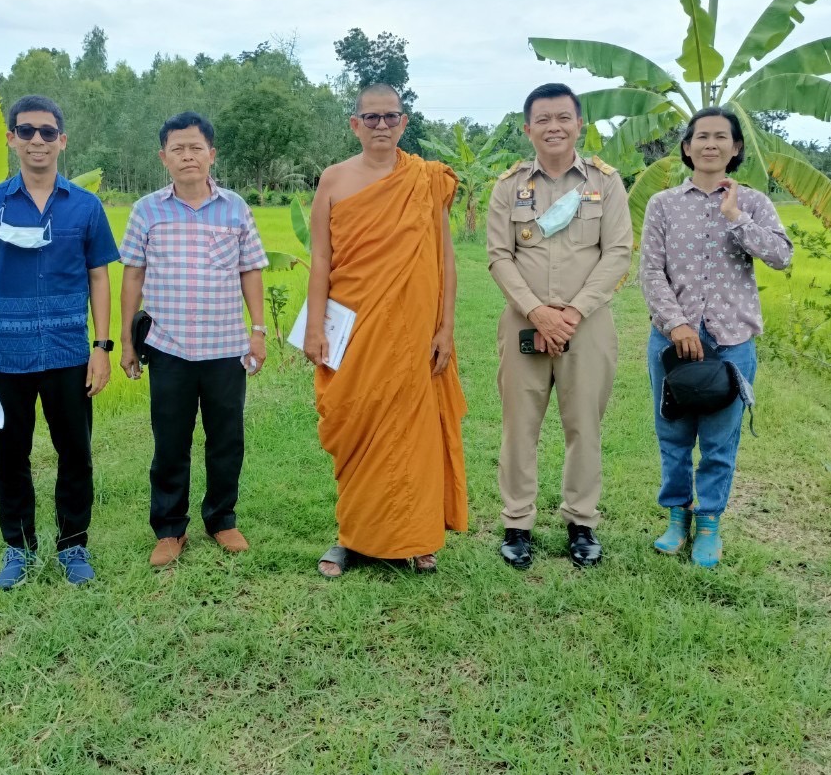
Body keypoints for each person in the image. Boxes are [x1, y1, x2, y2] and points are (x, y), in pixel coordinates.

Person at [0, 95, 121, 589]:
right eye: (26, 131)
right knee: (11, 457)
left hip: (70, 354)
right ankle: (18, 549)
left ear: (62, 141)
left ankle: (73, 547)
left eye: (47, 132)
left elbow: (99, 279)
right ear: (11, 139)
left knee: (76, 454)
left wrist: (102, 347)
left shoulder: (86, 207)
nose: (37, 141)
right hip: (6, 357)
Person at [306, 83, 467, 578]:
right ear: (354, 124)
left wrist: (445, 328)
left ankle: (417, 539)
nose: (381, 125)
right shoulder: (333, 181)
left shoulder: (426, 179)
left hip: (415, 328)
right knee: (355, 423)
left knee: (412, 429)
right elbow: (321, 261)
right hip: (354, 328)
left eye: (390, 117)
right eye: (370, 118)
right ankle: (352, 537)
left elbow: (445, 259)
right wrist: (314, 327)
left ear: (404, 123)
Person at [487, 82, 632, 569]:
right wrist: (537, 312)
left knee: (584, 426)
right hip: (524, 322)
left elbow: (616, 253)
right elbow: (499, 257)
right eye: (543, 120)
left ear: (579, 124)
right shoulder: (509, 185)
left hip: (586, 325)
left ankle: (581, 523)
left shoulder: (605, 183)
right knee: (518, 427)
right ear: (527, 128)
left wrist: (570, 314)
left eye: (563, 118)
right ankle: (517, 523)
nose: (554, 127)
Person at [640, 107, 792, 568]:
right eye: (700, 136)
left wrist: (735, 217)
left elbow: (782, 257)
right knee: (674, 434)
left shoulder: (755, 204)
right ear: (687, 148)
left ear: (736, 147)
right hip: (673, 341)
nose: (710, 144)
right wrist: (677, 324)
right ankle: (676, 518)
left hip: (731, 341)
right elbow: (650, 271)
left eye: (720, 137)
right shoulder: (663, 204)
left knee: (721, 441)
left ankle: (709, 524)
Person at [118, 111, 269, 568]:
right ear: (163, 157)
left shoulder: (235, 208)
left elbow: (250, 271)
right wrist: (127, 342)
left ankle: (222, 520)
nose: (188, 155)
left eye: (196, 147)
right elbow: (132, 276)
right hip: (169, 349)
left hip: (226, 348)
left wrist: (258, 331)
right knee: (170, 441)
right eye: (178, 148)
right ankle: (169, 529)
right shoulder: (147, 210)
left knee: (226, 439)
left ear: (211, 154)